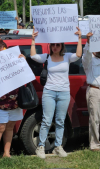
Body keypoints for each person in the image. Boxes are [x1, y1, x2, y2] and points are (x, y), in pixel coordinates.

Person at [31, 27, 82, 158]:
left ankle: (58, 147)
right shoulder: (46, 57)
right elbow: (33, 56)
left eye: (57, 45)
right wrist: (32, 40)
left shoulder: (67, 57)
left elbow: (78, 55)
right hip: (49, 92)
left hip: (64, 92)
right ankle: (41, 147)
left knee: (60, 120)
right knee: (47, 120)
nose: (55, 47)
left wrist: (80, 38)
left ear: (61, 46)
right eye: (53, 45)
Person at [0, 39, 25, 160]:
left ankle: (6, 153)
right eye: (0, 53)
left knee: (9, 127)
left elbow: (24, 74)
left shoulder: (14, 61)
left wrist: (23, 62)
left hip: (13, 101)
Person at [82, 32, 100, 151]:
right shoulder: (89, 59)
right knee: (95, 118)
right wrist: (88, 42)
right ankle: (95, 145)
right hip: (95, 91)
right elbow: (86, 55)